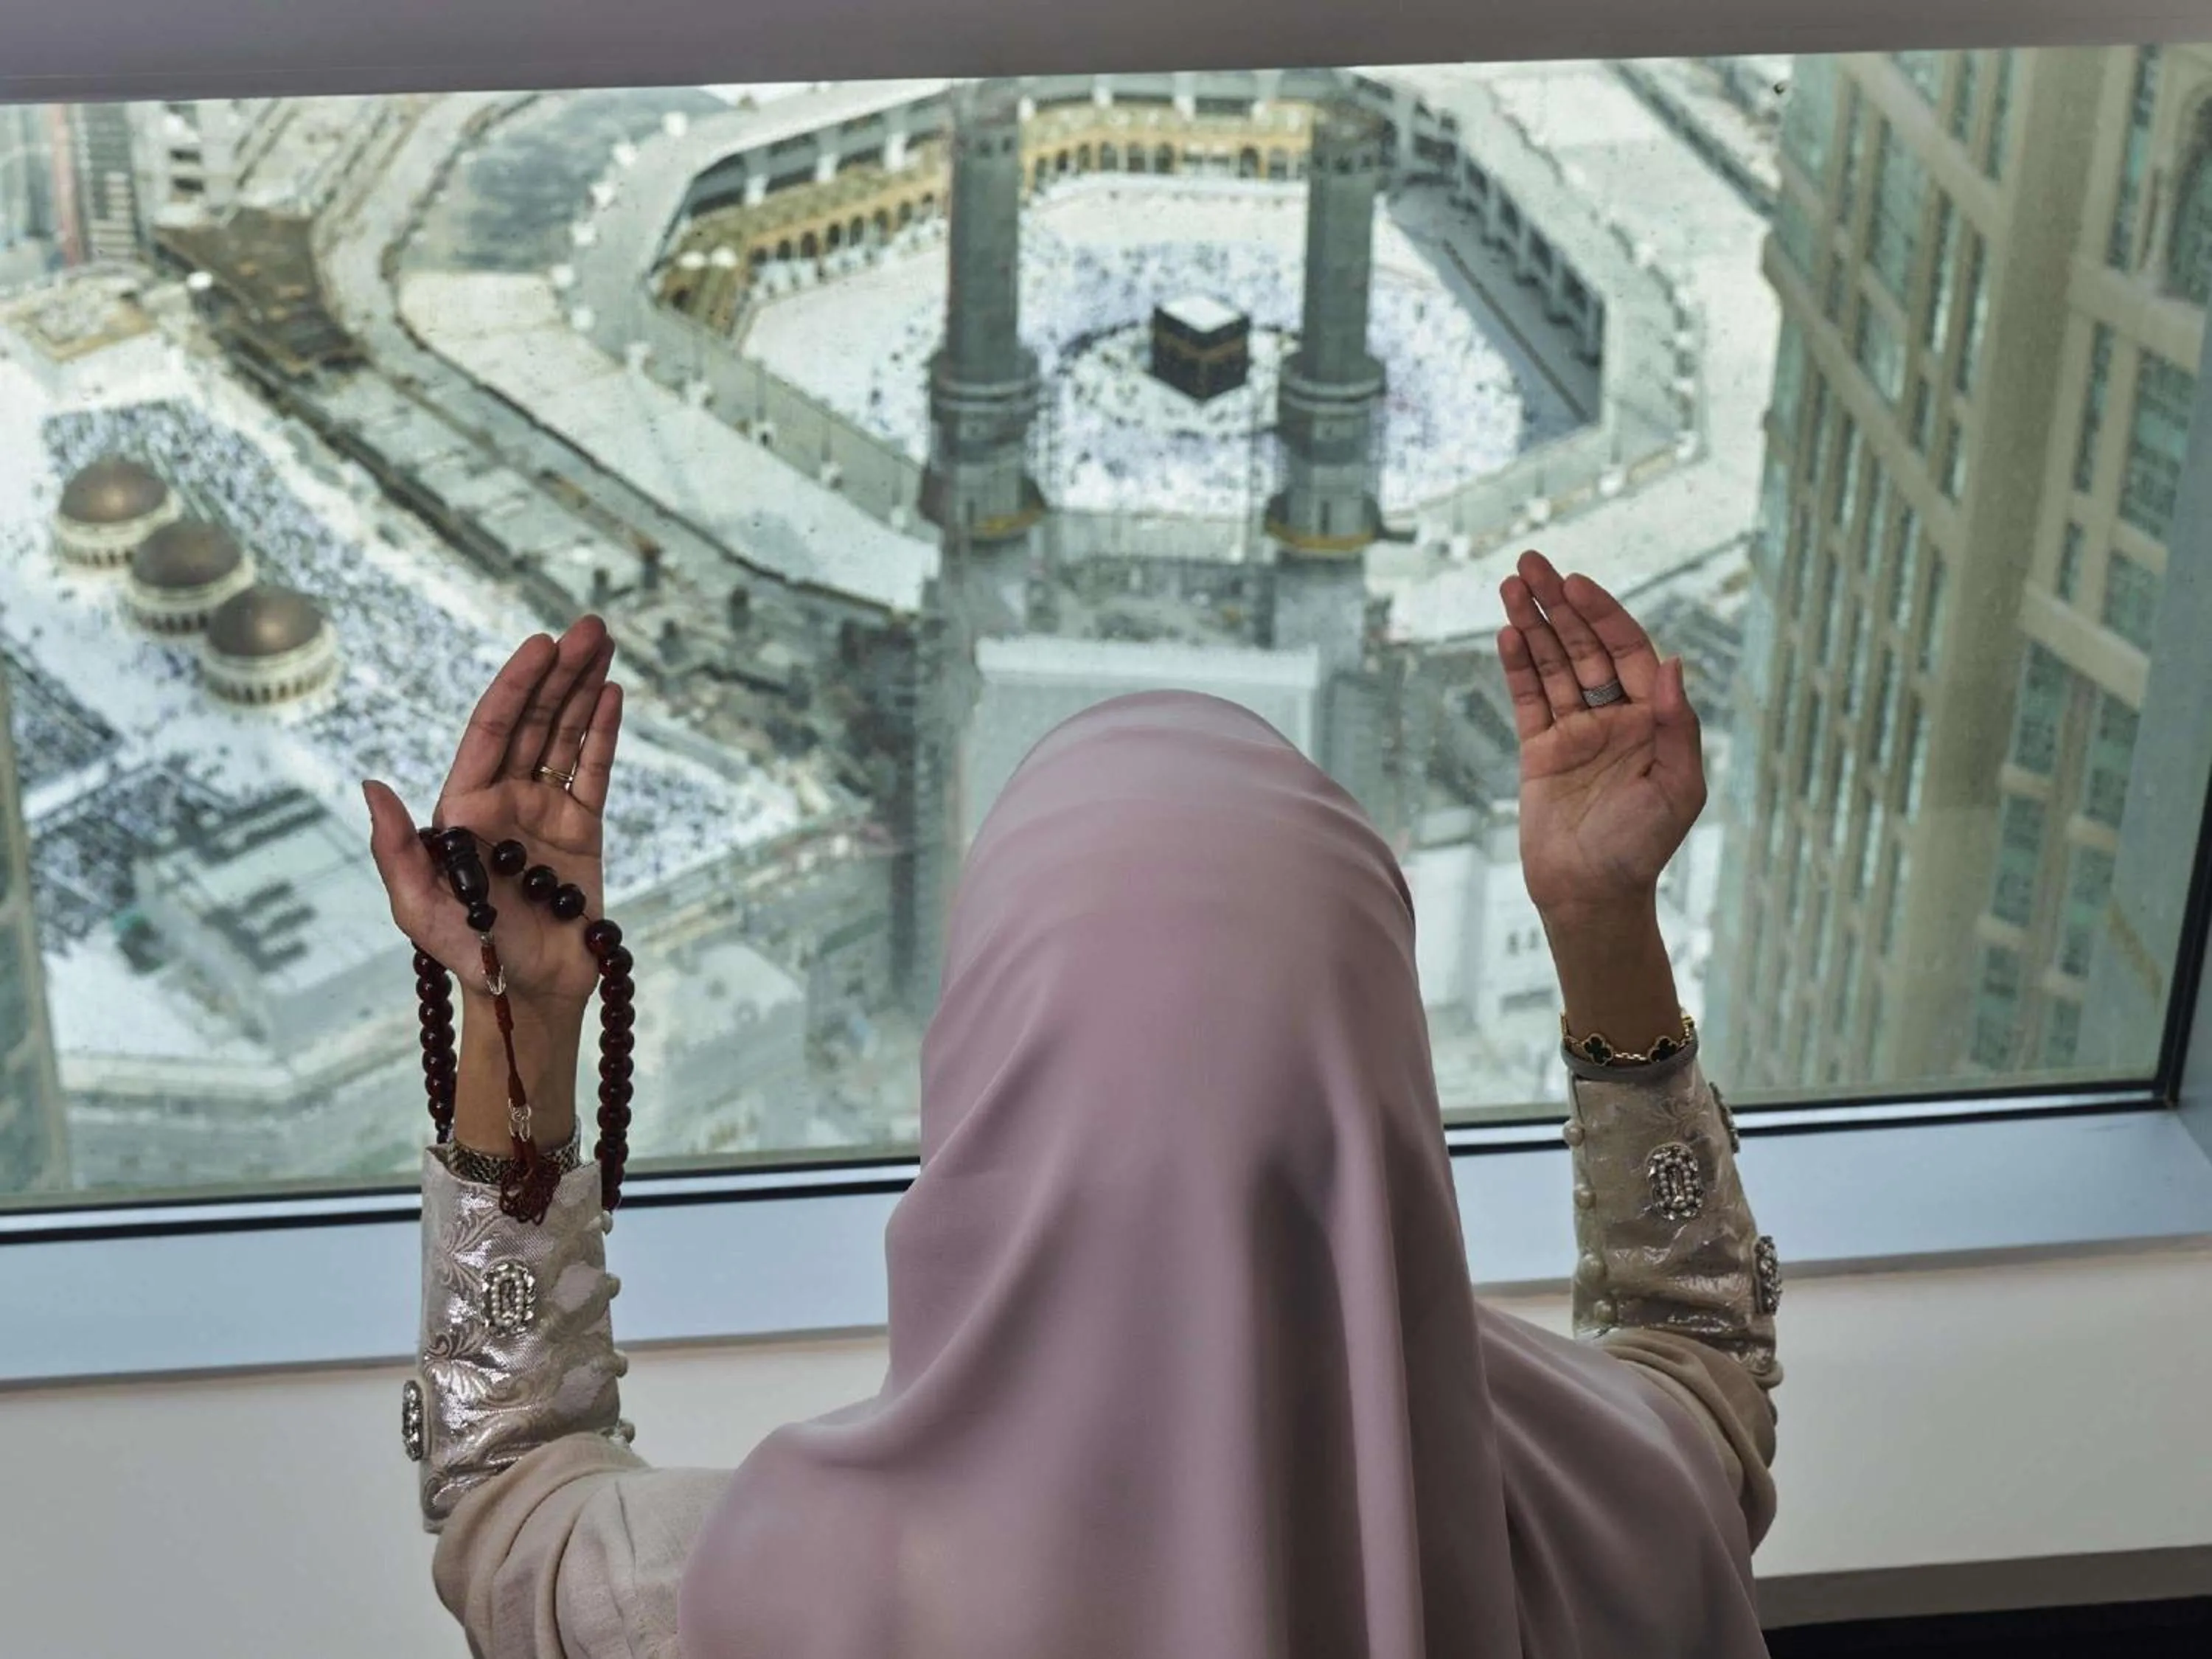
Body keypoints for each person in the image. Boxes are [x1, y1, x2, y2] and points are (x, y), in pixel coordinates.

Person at [365, 550, 1781, 1658]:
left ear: (987, 1083)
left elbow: (511, 1501)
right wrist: (1604, 923)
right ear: (1378, 1095)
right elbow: (1697, 1355)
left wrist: (519, 1021)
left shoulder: (786, 1600)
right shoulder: (1608, 1521)